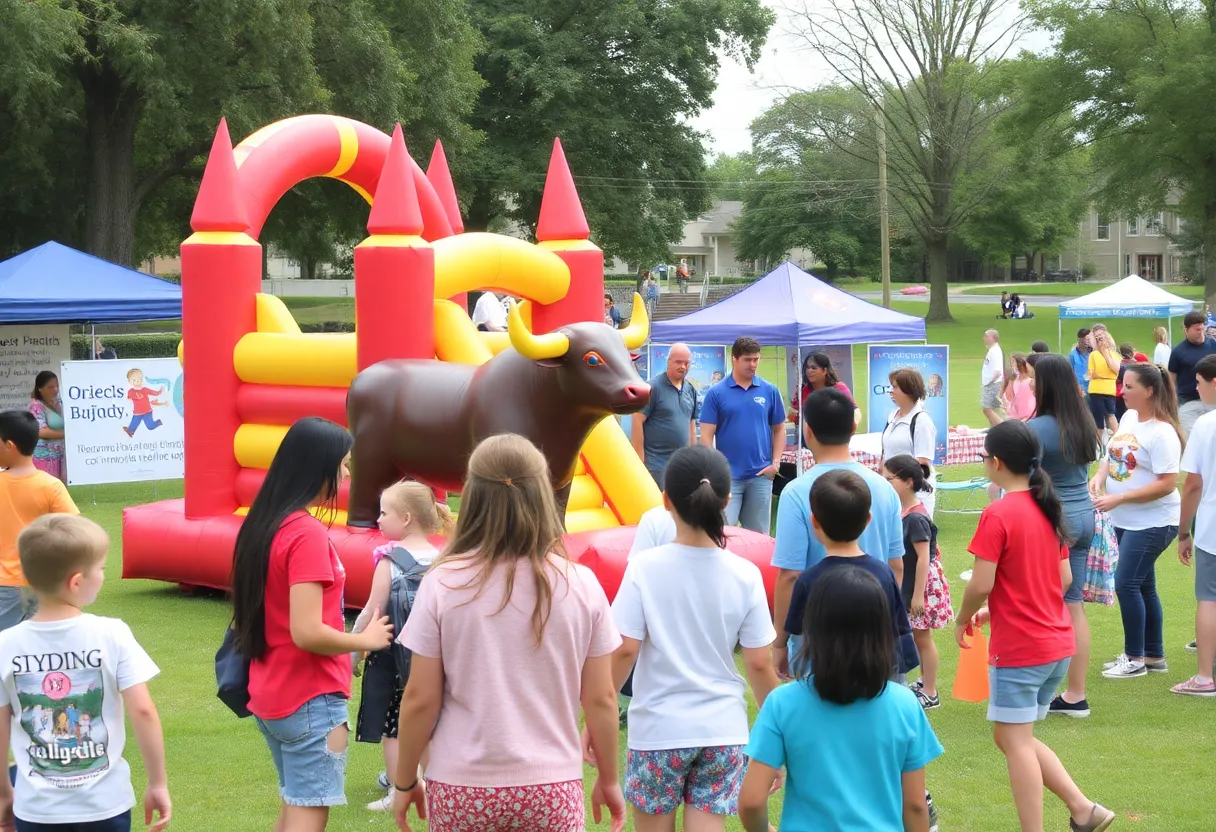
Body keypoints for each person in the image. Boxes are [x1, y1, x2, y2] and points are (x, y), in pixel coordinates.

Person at [393, 434, 625, 832]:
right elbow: (601, 698)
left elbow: (419, 699)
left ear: (472, 496)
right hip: (552, 786)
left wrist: (404, 781)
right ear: (542, 493)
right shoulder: (580, 584)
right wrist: (608, 778)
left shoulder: (443, 583)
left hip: (461, 785)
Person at [595, 446, 779, 831]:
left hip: (658, 730)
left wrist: (596, 718)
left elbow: (625, 650)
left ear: (665, 501)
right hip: (723, 730)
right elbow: (760, 663)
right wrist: (776, 736)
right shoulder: (745, 574)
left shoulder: (643, 569)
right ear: (727, 501)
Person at [231, 417, 394, 829]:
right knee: (306, 810)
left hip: (272, 691)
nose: (347, 474)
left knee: (294, 805)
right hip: (309, 696)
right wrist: (366, 640)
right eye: (343, 464)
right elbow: (306, 632)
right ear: (317, 468)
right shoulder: (305, 533)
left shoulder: (263, 524)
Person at [956, 420, 1115, 832]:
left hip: (1021, 649)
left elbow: (981, 583)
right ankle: (1084, 810)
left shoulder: (997, 512)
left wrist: (964, 616)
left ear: (996, 462)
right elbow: (1062, 579)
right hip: (1056, 645)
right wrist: (998, 610)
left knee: (1015, 742)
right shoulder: (1047, 505)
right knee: (1013, 738)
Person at [738, 565, 943, 832]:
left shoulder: (782, 703)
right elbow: (914, 805)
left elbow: (751, 801)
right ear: (883, 632)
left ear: (812, 628)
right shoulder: (905, 705)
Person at [0, 515, 170, 832]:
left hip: (36, 809)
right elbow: (143, 710)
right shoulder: (112, 634)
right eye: (101, 568)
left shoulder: (5, 644)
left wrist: (3, 794)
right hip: (105, 806)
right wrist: (157, 782)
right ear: (77, 581)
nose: (103, 575)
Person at [772, 388, 904, 678]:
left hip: (817, 638)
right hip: (875, 634)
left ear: (807, 431)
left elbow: (790, 575)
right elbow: (895, 565)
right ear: (853, 428)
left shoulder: (796, 492)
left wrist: (780, 642)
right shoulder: (884, 487)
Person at [351, 481, 454, 811]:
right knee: (430, 725)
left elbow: (372, 610)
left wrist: (353, 652)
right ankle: (436, 787)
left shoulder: (389, 560)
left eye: (384, 513)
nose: (378, 519)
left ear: (406, 518)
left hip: (394, 661)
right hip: (433, 661)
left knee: (393, 729)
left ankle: (400, 792)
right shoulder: (442, 559)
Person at [1091, 363, 1183, 679]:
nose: (1122, 392)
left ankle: (1134, 659)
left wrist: (1119, 498)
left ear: (1150, 391)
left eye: (1129, 387)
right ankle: (1153, 655)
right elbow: (1113, 453)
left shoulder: (1163, 432)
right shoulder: (1130, 418)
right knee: (1143, 585)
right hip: (1127, 519)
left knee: (1126, 583)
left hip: (1155, 521)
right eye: (1123, 385)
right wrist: (1100, 476)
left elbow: (1167, 484)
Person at [1023, 356, 1102, 718]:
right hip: (1084, 514)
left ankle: (1035, 691)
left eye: (1033, 378)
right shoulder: (1082, 420)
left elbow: (1022, 478)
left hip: (1054, 520)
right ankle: (1075, 694)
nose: (1029, 383)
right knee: (1072, 605)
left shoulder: (1037, 428)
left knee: (1040, 605)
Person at [783, 470, 919, 681]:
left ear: (814, 521)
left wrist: (779, 645)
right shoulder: (883, 573)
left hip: (828, 678)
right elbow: (898, 628)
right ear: (868, 520)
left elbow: (796, 629)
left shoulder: (808, 579)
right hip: (878, 676)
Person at [884, 455, 953, 711]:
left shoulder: (915, 518)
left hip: (921, 585)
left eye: (889, 479)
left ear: (907, 482)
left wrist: (917, 596)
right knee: (918, 636)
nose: (885, 483)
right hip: (915, 582)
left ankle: (931, 691)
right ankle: (924, 683)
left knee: (923, 638)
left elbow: (924, 557)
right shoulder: (907, 512)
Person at [0, 411, 78, 633]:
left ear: (9, 445)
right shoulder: (51, 485)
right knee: (40, 641)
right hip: (43, 582)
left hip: (5, 584)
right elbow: (74, 533)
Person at [699, 337, 785, 535]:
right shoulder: (716, 393)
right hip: (728, 478)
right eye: (747, 359)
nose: (753, 364)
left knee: (759, 538)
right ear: (734, 359)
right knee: (722, 535)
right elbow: (706, 436)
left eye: (756, 359)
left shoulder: (770, 391)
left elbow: (779, 429)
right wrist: (713, 471)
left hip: (761, 476)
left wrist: (775, 464)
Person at [1174, 354, 1216, 695]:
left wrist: (1182, 532)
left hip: (1212, 529)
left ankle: (1204, 677)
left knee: (1209, 598)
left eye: (1200, 383)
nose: (1196, 389)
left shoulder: (1206, 424)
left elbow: (1192, 484)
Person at [632, 343, 697, 486]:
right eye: (678, 362)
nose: (683, 367)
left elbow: (691, 425)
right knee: (659, 501)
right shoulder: (653, 387)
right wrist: (639, 460)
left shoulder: (690, 390)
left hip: (682, 465)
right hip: (656, 465)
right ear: (669, 362)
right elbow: (637, 420)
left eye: (686, 363)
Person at [881, 368, 938, 516]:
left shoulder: (922, 421)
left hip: (915, 493)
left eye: (895, 387)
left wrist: (897, 479)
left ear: (908, 390)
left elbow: (923, 462)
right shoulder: (892, 416)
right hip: (893, 489)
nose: (890, 391)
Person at [1168, 311, 1216, 435]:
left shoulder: (1213, 345)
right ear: (1186, 329)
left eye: (1202, 329)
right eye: (1196, 330)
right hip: (1188, 402)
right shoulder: (1178, 351)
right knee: (1190, 436)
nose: (1200, 332)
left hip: (1212, 400)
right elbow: (1171, 379)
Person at [789, 352, 854, 425]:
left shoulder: (839, 388)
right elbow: (792, 418)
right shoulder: (804, 391)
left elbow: (855, 411)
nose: (809, 371)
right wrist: (796, 398)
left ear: (825, 371)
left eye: (814, 368)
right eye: (807, 368)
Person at [27, 371, 65, 484]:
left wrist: (59, 409)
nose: (55, 390)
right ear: (40, 389)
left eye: (57, 386)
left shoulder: (58, 404)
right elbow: (40, 431)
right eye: (51, 387)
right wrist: (67, 434)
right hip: (44, 458)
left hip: (59, 456)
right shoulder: (36, 406)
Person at [1087, 327, 1121, 436]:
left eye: (1101, 339)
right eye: (1098, 339)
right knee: (1102, 418)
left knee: (1108, 416)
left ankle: (1114, 437)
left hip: (1106, 389)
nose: (1100, 342)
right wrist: (1108, 376)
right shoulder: (1094, 355)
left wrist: (1106, 355)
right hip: (1100, 389)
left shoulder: (1114, 355)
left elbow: (1116, 370)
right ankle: (1102, 442)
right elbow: (1092, 374)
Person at [1114, 342, 1150, 421]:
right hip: (1131, 391)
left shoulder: (1118, 363)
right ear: (1131, 353)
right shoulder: (1135, 364)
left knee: (1119, 415)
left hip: (1118, 393)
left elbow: (1117, 378)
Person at [1001, 354, 1036, 422]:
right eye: (1011, 362)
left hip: (1028, 413)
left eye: (1013, 362)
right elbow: (1008, 396)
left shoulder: (1031, 381)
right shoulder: (1013, 380)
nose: (1012, 365)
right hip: (1015, 413)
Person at [982, 329, 1006, 426]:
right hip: (991, 383)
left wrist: (989, 383)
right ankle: (995, 428)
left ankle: (1004, 427)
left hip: (993, 384)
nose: (984, 338)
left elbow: (998, 371)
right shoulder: (992, 350)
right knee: (990, 409)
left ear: (992, 338)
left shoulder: (995, 351)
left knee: (990, 408)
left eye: (986, 336)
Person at [1068, 328, 1093, 396]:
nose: (1089, 341)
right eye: (1087, 339)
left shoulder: (1093, 354)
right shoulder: (1072, 356)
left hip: (1093, 389)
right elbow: (1069, 374)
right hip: (1079, 390)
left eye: (1090, 339)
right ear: (1079, 339)